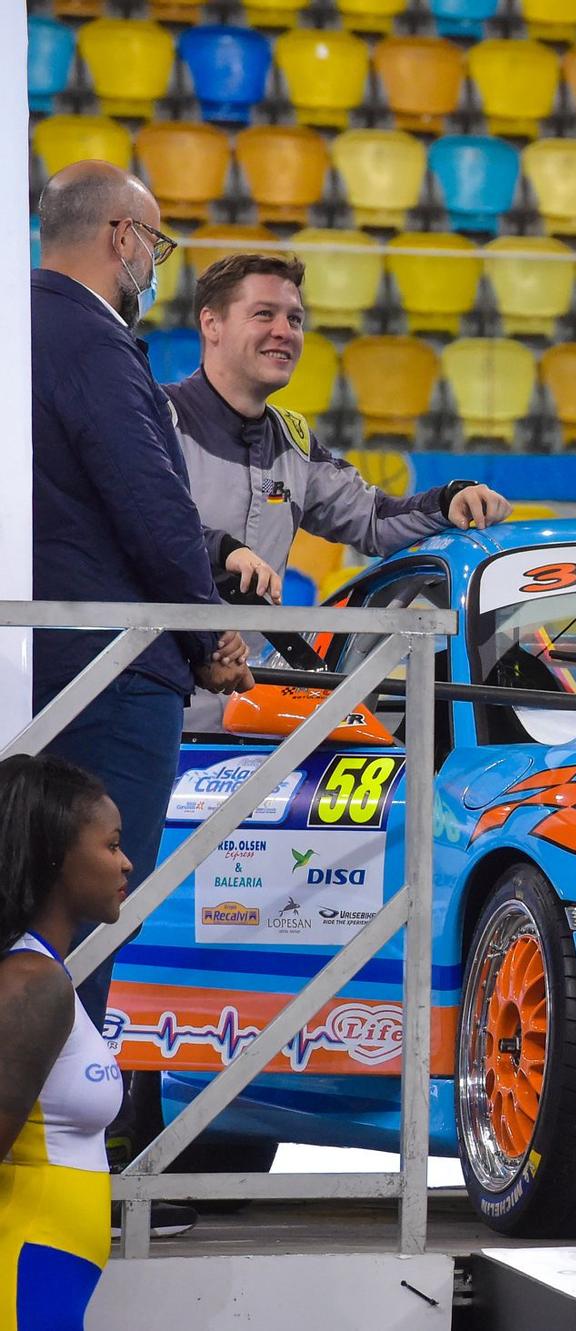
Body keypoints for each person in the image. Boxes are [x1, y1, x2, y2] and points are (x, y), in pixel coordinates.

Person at [31, 162, 254, 1038]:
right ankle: (62, 1129)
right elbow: (151, 505)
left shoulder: (21, 328)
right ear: (120, 236)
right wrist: (208, 637)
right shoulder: (92, 339)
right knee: (83, 919)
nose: (154, 263)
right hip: (108, 674)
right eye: (153, 241)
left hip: (38, 656)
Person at [167, 253, 511, 723]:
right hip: (150, 697)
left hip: (251, 712)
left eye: (294, 318)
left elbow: (372, 520)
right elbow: (140, 526)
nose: (284, 331)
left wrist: (449, 500)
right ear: (212, 323)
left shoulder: (293, 439)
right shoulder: (157, 418)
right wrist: (221, 550)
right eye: (263, 314)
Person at [0, 755, 132, 1330]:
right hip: (23, 1273)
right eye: (111, 846)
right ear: (57, 858)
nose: (126, 863)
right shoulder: (32, 984)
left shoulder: (46, 973)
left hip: (47, 1273)